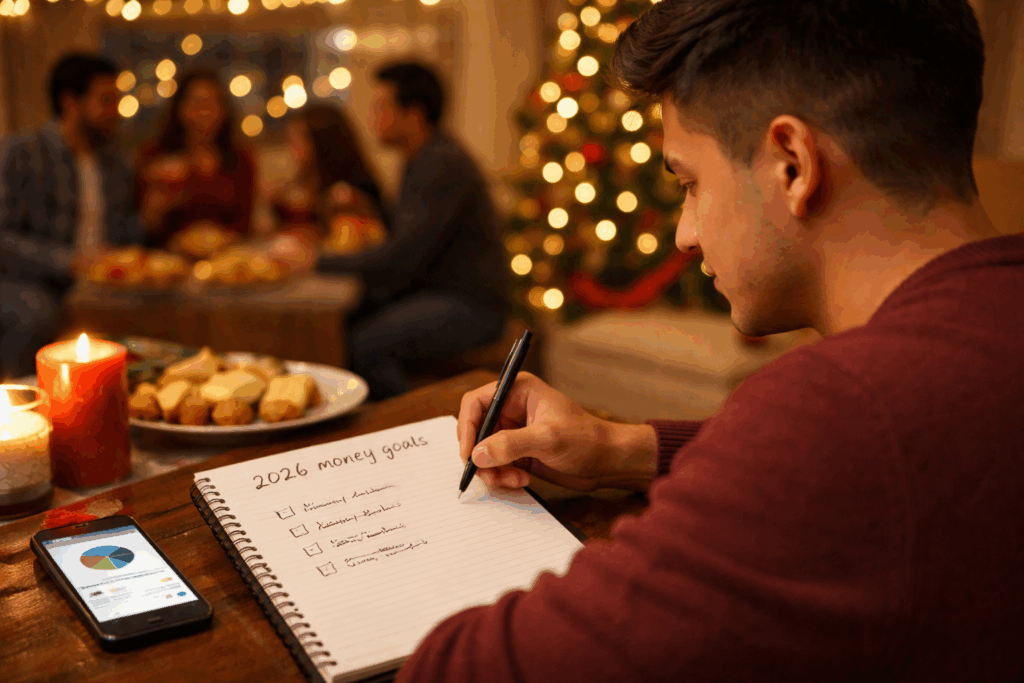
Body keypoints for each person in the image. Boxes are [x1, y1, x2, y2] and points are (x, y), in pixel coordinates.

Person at [396, 1, 1024, 681]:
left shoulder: (846, 416)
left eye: (689, 183)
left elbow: (471, 671)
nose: (684, 234)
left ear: (793, 163)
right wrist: (621, 450)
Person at [274, 62, 508, 400]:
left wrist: (316, 261)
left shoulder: (441, 164)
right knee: (349, 323)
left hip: (470, 305)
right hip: (440, 293)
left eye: (382, 107)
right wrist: (368, 207)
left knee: (362, 345)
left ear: (414, 115)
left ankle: (410, 422)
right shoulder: (423, 158)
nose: (372, 118)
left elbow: (401, 259)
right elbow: (410, 234)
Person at [0, 53, 146, 378]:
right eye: (106, 100)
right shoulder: (23, 152)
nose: (115, 111)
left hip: (98, 281)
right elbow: (3, 238)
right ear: (70, 102)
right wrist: (69, 261)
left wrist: (153, 214)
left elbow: (124, 237)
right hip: (30, 280)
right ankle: (20, 398)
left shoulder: (115, 160)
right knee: (37, 312)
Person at [136, 70, 255, 253]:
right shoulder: (156, 158)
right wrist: (155, 208)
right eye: (197, 102)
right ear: (179, 108)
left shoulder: (239, 160)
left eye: (213, 103)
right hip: (168, 258)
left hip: (226, 257)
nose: (205, 112)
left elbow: (245, 225)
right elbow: (144, 228)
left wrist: (223, 240)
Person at [270, 104, 387, 257]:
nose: (291, 149)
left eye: (296, 141)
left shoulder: (347, 193)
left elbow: (343, 246)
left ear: (321, 144)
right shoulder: (309, 184)